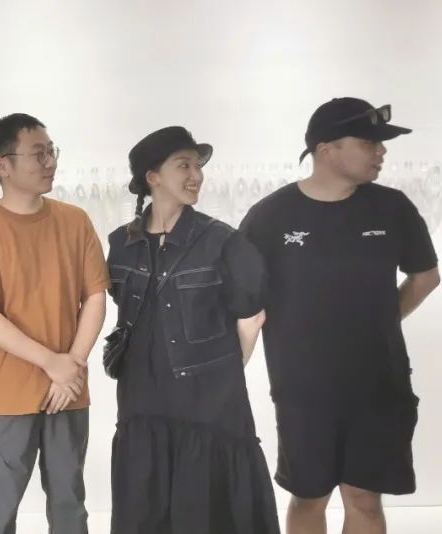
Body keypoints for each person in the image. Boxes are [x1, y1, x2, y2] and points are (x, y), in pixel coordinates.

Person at [240, 97, 440, 534]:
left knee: (364, 499)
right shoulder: (270, 217)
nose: (381, 152)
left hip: (378, 383)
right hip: (302, 390)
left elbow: (426, 277)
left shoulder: (392, 208)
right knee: (308, 497)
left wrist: (379, 320)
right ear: (326, 148)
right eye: (369, 143)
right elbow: (244, 303)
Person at [106, 126, 279, 533]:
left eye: (197, 165)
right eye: (183, 165)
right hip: (141, 398)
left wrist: (221, 375)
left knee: (207, 511)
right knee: (148, 506)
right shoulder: (120, 243)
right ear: (153, 177)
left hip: (210, 404)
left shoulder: (223, 241)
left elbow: (252, 316)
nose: (196, 175)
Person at [0, 113, 108, 534]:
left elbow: (95, 296)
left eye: (51, 151)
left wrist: (71, 366)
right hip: (6, 392)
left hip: (68, 389)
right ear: (3, 165)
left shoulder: (75, 220)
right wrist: (53, 363)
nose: (50, 161)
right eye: (39, 154)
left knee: (70, 505)